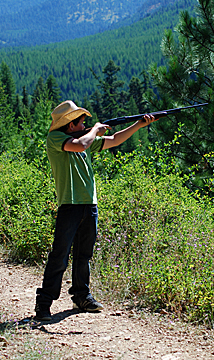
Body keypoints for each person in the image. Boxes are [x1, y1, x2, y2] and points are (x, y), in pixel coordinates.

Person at [35, 100, 156, 321]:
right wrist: (95, 130)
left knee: (84, 255)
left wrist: (138, 124)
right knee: (59, 256)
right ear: (71, 125)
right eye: (81, 122)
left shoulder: (85, 139)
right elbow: (80, 145)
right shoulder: (56, 139)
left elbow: (114, 139)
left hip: (89, 205)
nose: (84, 125)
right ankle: (44, 303)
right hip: (69, 205)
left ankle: (82, 296)